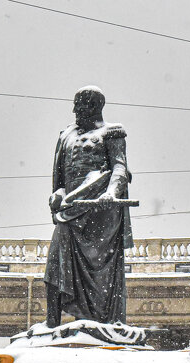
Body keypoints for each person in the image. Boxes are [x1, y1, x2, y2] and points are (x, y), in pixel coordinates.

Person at [45, 86, 133, 327]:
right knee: (55, 265)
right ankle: (51, 322)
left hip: (99, 213)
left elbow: (119, 167)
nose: (74, 110)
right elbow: (60, 179)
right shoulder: (66, 135)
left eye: (80, 104)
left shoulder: (112, 132)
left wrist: (111, 192)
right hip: (71, 209)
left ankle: (101, 321)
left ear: (95, 106)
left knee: (101, 274)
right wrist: (57, 195)